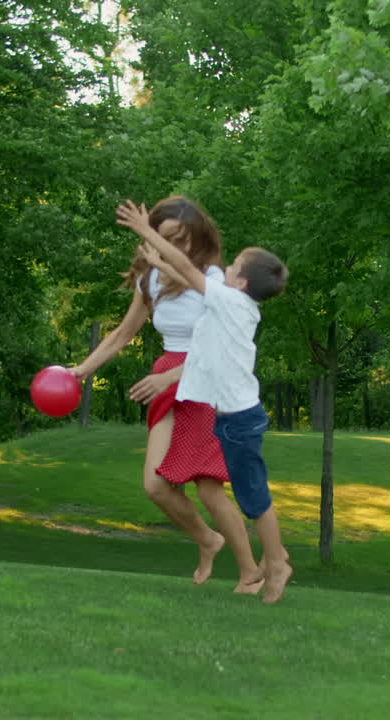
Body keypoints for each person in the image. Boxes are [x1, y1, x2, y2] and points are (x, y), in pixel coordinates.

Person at [68, 196, 264, 594]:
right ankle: (208, 540)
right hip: (168, 382)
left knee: (209, 488)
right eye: (170, 239)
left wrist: (174, 376)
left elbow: (221, 347)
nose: (181, 248)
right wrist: (80, 371)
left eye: (185, 239)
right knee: (156, 486)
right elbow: (122, 335)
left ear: (199, 239)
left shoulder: (212, 280)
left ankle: (250, 573)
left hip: (206, 381)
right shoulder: (151, 280)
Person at [117, 198, 294, 604]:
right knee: (244, 494)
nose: (223, 269)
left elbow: (190, 271)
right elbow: (182, 270)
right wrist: (159, 266)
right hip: (233, 416)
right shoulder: (237, 304)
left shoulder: (228, 300)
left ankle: (276, 561)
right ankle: (268, 560)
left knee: (254, 498)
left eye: (231, 269)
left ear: (241, 284)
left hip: (237, 418)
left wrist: (145, 230)